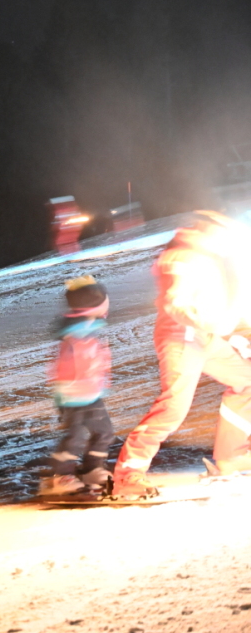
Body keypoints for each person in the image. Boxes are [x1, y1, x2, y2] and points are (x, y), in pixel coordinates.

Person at [113, 211, 251, 498]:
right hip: (180, 338)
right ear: (210, 231)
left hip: (203, 337)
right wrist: (214, 324)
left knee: (246, 380)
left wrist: (229, 330)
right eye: (225, 236)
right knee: (173, 407)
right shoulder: (182, 257)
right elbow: (175, 303)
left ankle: (231, 459)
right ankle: (127, 477)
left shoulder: (205, 257)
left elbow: (217, 308)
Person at [39, 276, 115, 496]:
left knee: (104, 432)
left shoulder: (90, 329)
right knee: (76, 436)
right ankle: (61, 475)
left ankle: (92, 468)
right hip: (73, 396)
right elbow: (63, 367)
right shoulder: (74, 335)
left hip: (92, 393)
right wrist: (64, 393)